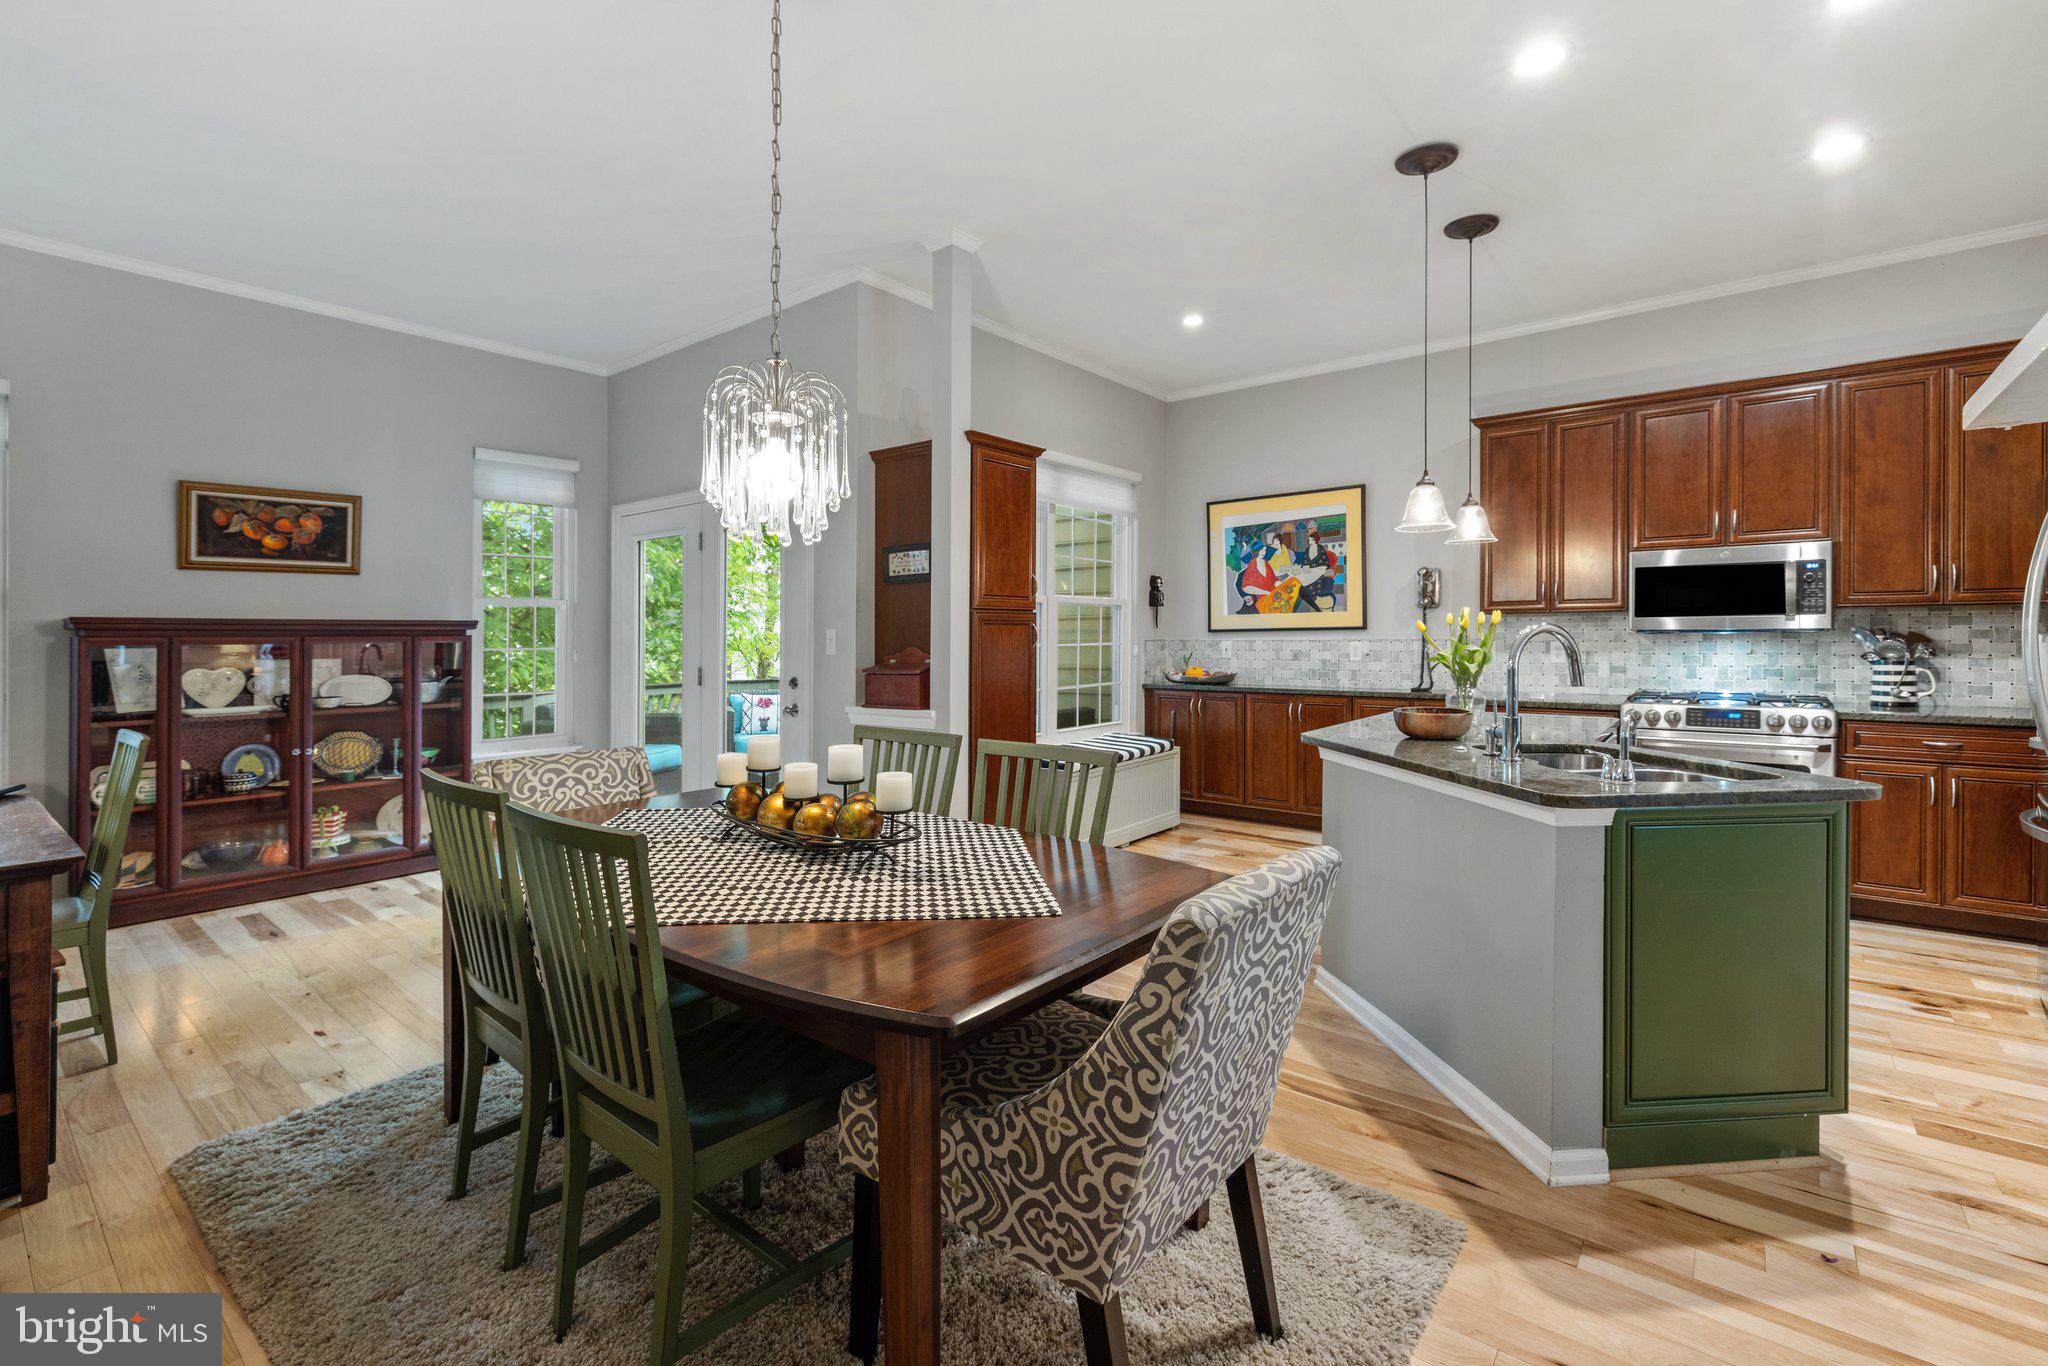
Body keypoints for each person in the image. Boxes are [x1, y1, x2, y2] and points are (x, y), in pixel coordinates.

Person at [1295, 530, 1339, 611]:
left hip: (1320, 571)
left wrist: (1319, 567)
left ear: (1316, 540)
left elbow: (1325, 562)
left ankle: (1317, 601)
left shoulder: (1320, 548)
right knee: (1301, 581)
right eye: (1309, 540)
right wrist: (1305, 566)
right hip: (1309, 571)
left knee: (1310, 585)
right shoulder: (1307, 549)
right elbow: (1305, 561)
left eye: (1312, 540)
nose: (1310, 542)